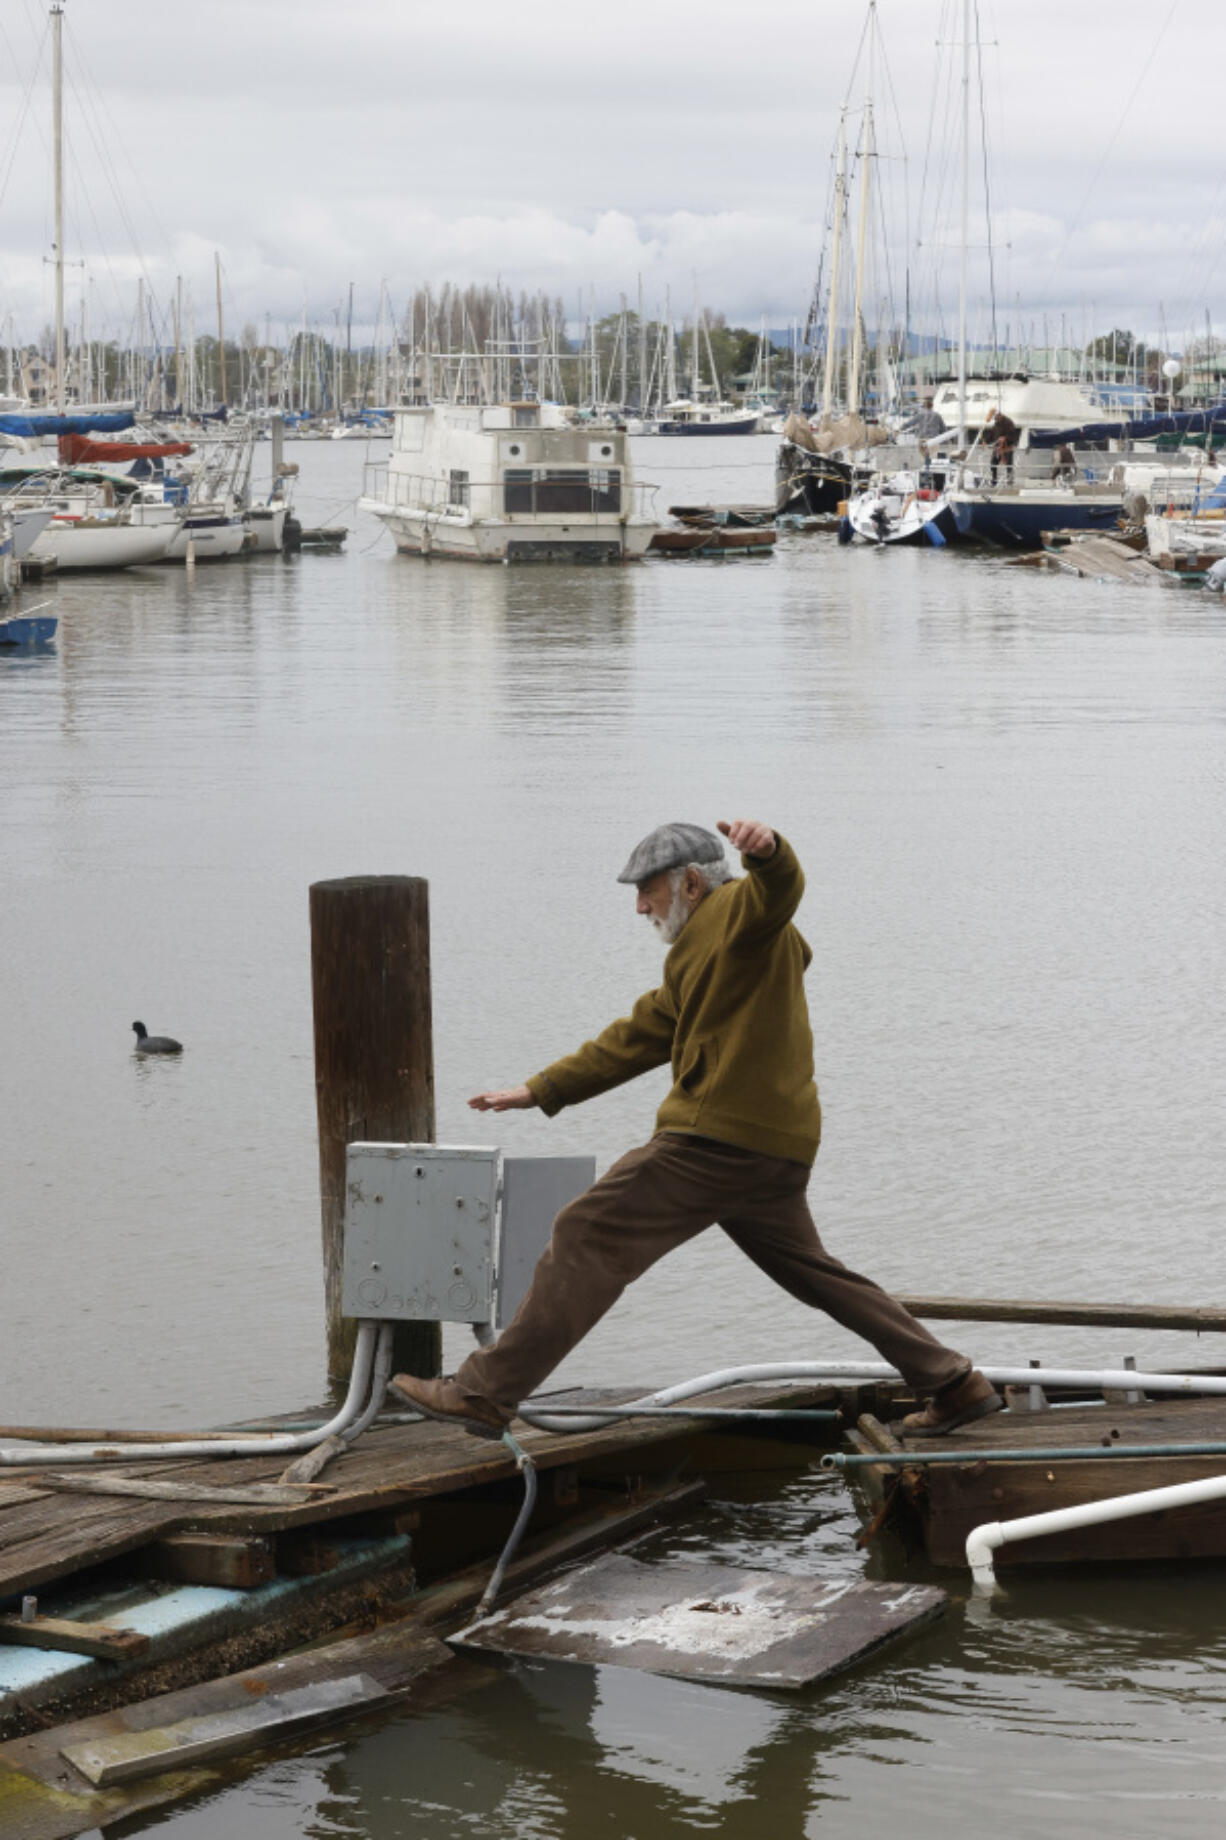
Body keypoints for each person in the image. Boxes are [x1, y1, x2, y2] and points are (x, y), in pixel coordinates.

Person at [391, 820, 1002, 1444]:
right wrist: (540, 1089)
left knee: (587, 1229)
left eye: (647, 891)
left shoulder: (739, 911)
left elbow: (778, 890)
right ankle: (953, 1383)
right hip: (772, 1149)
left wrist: (768, 853)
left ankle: (483, 1393)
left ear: (690, 883)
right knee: (817, 1275)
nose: (638, 906)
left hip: (717, 1139)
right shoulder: (699, 952)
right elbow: (641, 1032)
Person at [987, 408, 1019, 483]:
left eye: (995, 418)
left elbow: (1012, 435)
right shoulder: (996, 423)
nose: (995, 419)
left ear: (999, 415)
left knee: (1009, 466)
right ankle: (994, 480)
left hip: (1007, 448)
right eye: (994, 418)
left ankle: (1010, 481)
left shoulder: (1008, 422)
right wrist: (986, 440)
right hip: (997, 448)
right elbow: (992, 434)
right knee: (993, 464)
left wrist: (1005, 438)